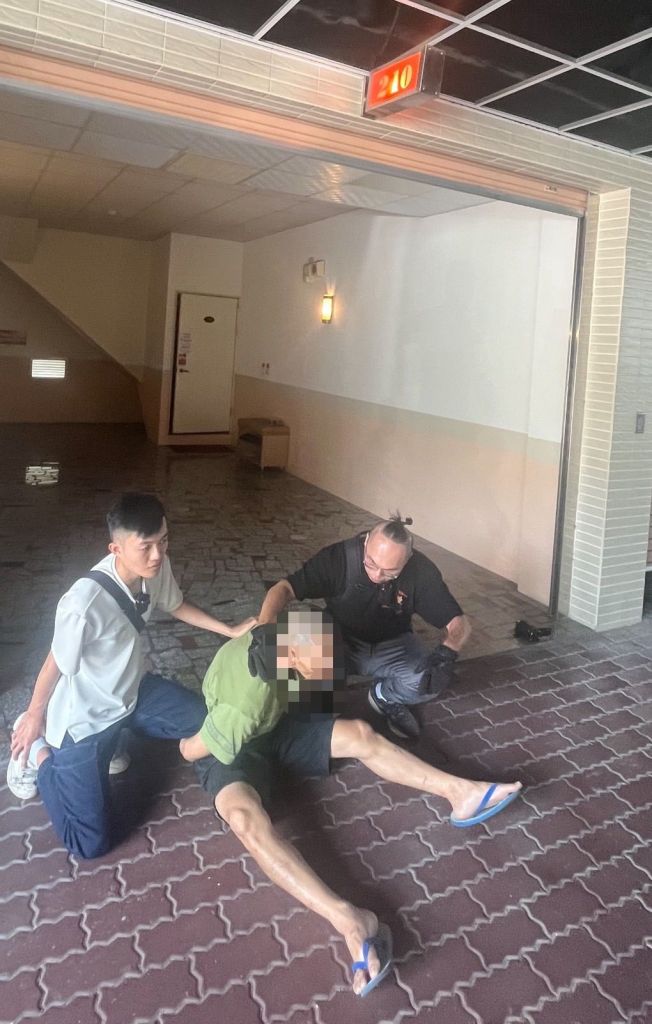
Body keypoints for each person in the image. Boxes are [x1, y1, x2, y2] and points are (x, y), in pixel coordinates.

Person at [180, 609, 522, 998]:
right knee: (244, 820)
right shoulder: (242, 703)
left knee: (360, 733)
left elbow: (282, 600)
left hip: (273, 726)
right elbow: (190, 750)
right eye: (317, 665)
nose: (325, 670)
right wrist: (184, 739)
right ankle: (351, 922)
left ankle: (463, 794)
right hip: (229, 741)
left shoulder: (286, 634)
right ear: (292, 655)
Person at [7, 492, 256, 859]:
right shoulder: (83, 602)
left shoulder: (155, 567)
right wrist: (33, 715)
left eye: (163, 541)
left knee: (206, 719)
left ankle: (117, 741)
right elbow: (54, 663)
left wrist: (229, 629)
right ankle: (41, 756)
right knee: (89, 844)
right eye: (146, 547)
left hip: (133, 694)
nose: (157, 554)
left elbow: (176, 604)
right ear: (116, 549)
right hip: (85, 721)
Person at [258, 516, 470, 740]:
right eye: (371, 563)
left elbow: (459, 623)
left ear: (407, 560)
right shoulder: (339, 559)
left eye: (390, 571)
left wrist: (448, 651)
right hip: (338, 640)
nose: (377, 575)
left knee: (427, 681)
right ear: (366, 541)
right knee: (314, 693)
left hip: (394, 644)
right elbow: (284, 588)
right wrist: (263, 630)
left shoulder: (421, 572)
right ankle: (325, 704)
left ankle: (384, 696)